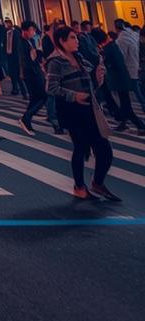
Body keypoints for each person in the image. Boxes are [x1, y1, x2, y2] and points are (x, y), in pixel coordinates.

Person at [46, 26, 120, 201]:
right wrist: (73, 96)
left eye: (76, 38)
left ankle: (97, 182)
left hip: (89, 108)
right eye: (72, 38)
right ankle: (79, 187)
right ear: (62, 41)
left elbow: (90, 84)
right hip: (71, 111)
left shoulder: (79, 57)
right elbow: (51, 88)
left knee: (104, 149)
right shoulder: (55, 61)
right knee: (80, 148)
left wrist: (98, 78)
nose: (76, 41)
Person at [103, 21, 145, 133]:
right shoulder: (131, 35)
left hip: (123, 74)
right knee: (126, 99)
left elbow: (119, 58)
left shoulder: (120, 41)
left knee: (126, 100)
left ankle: (138, 124)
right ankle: (124, 122)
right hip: (131, 69)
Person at [18, 21, 47, 133]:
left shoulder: (30, 40)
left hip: (35, 71)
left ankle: (27, 118)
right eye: (31, 30)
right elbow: (24, 60)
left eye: (34, 30)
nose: (33, 32)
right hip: (31, 73)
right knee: (43, 95)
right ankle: (26, 117)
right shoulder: (21, 42)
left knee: (35, 97)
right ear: (25, 30)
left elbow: (35, 54)